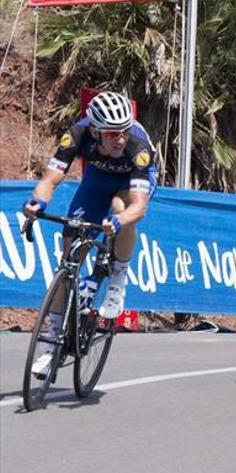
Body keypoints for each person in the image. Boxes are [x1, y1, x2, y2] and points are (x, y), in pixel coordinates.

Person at [22, 90, 158, 376]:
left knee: (120, 206)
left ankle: (118, 277)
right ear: (95, 131)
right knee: (69, 256)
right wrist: (38, 202)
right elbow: (50, 179)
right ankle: (52, 343)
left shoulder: (138, 146)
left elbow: (139, 206)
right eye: (111, 134)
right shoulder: (77, 135)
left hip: (129, 185)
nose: (119, 138)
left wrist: (119, 221)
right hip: (96, 181)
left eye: (123, 130)